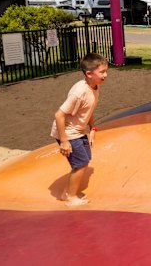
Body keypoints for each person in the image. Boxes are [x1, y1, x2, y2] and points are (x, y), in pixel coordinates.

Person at [50, 53, 108, 206]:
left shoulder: (94, 87)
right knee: (81, 164)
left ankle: (66, 193)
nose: (105, 75)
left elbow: (88, 111)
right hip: (68, 132)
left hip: (79, 131)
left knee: (84, 161)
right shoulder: (79, 92)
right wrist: (64, 141)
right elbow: (59, 115)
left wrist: (92, 129)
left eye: (106, 71)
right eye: (101, 72)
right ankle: (71, 197)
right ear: (89, 74)